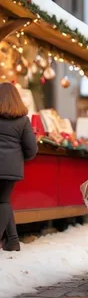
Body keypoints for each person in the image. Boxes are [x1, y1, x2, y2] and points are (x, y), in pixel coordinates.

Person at [0, 82, 38, 251]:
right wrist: (20, 159)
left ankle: (11, 240)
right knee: (3, 201)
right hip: (11, 168)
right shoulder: (23, 120)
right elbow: (31, 148)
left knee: (2, 201)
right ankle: (13, 241)